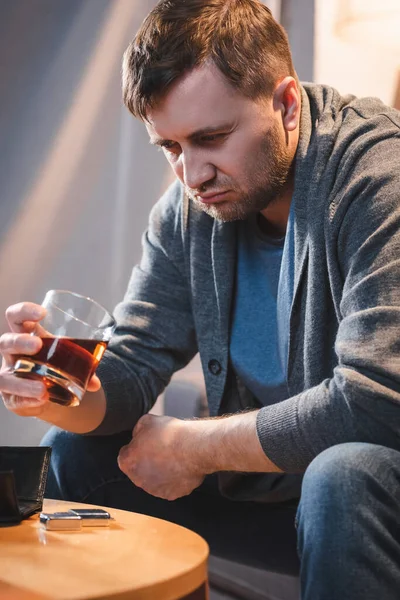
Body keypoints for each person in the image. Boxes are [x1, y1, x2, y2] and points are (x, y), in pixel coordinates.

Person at [1, 1, 400, 598]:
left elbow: (377, 403)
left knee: (342, 473)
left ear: (286, 104)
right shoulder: (191, 210)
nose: (192, 174)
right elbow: (131, 369)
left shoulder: (379, 178)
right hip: (267, 501)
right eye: (169, 146)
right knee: (73, 449)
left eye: (211, 138)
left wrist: (195, 447)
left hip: (369, 499)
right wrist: (56, 395)